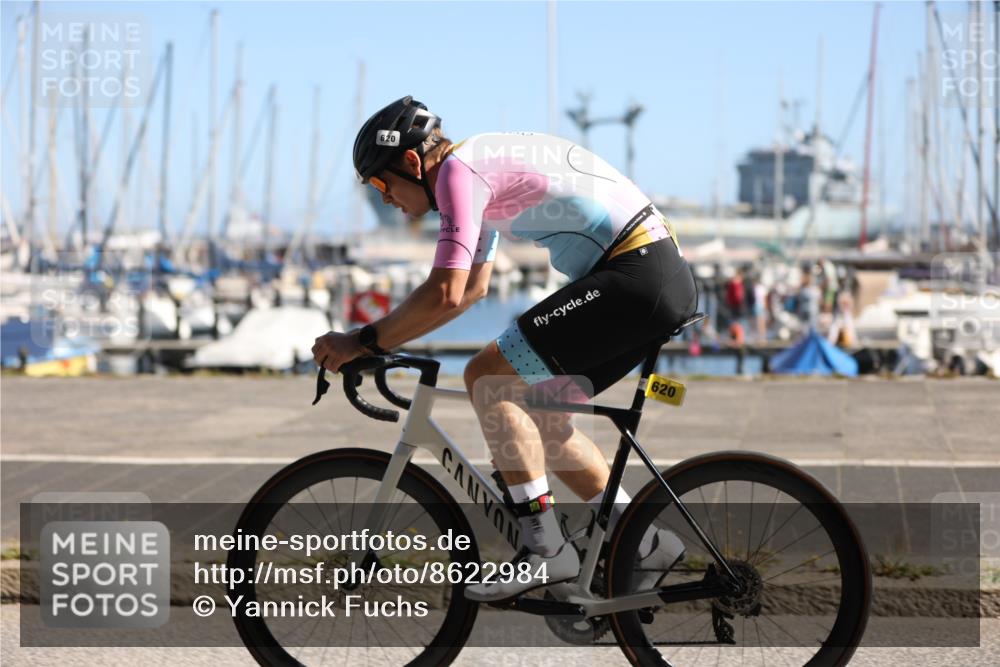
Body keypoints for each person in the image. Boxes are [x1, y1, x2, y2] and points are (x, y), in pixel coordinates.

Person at [312, 96, 696, 602]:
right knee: (541, 418)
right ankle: (645, 545)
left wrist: (362, 341)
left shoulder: (457, 174)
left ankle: (546, 550)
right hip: (650, 277)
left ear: (411, 162)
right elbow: (469, 290)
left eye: (382, 184)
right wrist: (379, 342)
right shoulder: (475, 174)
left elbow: (445, 292)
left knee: (486, 379)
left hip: (636, 273)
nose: (385, 199)